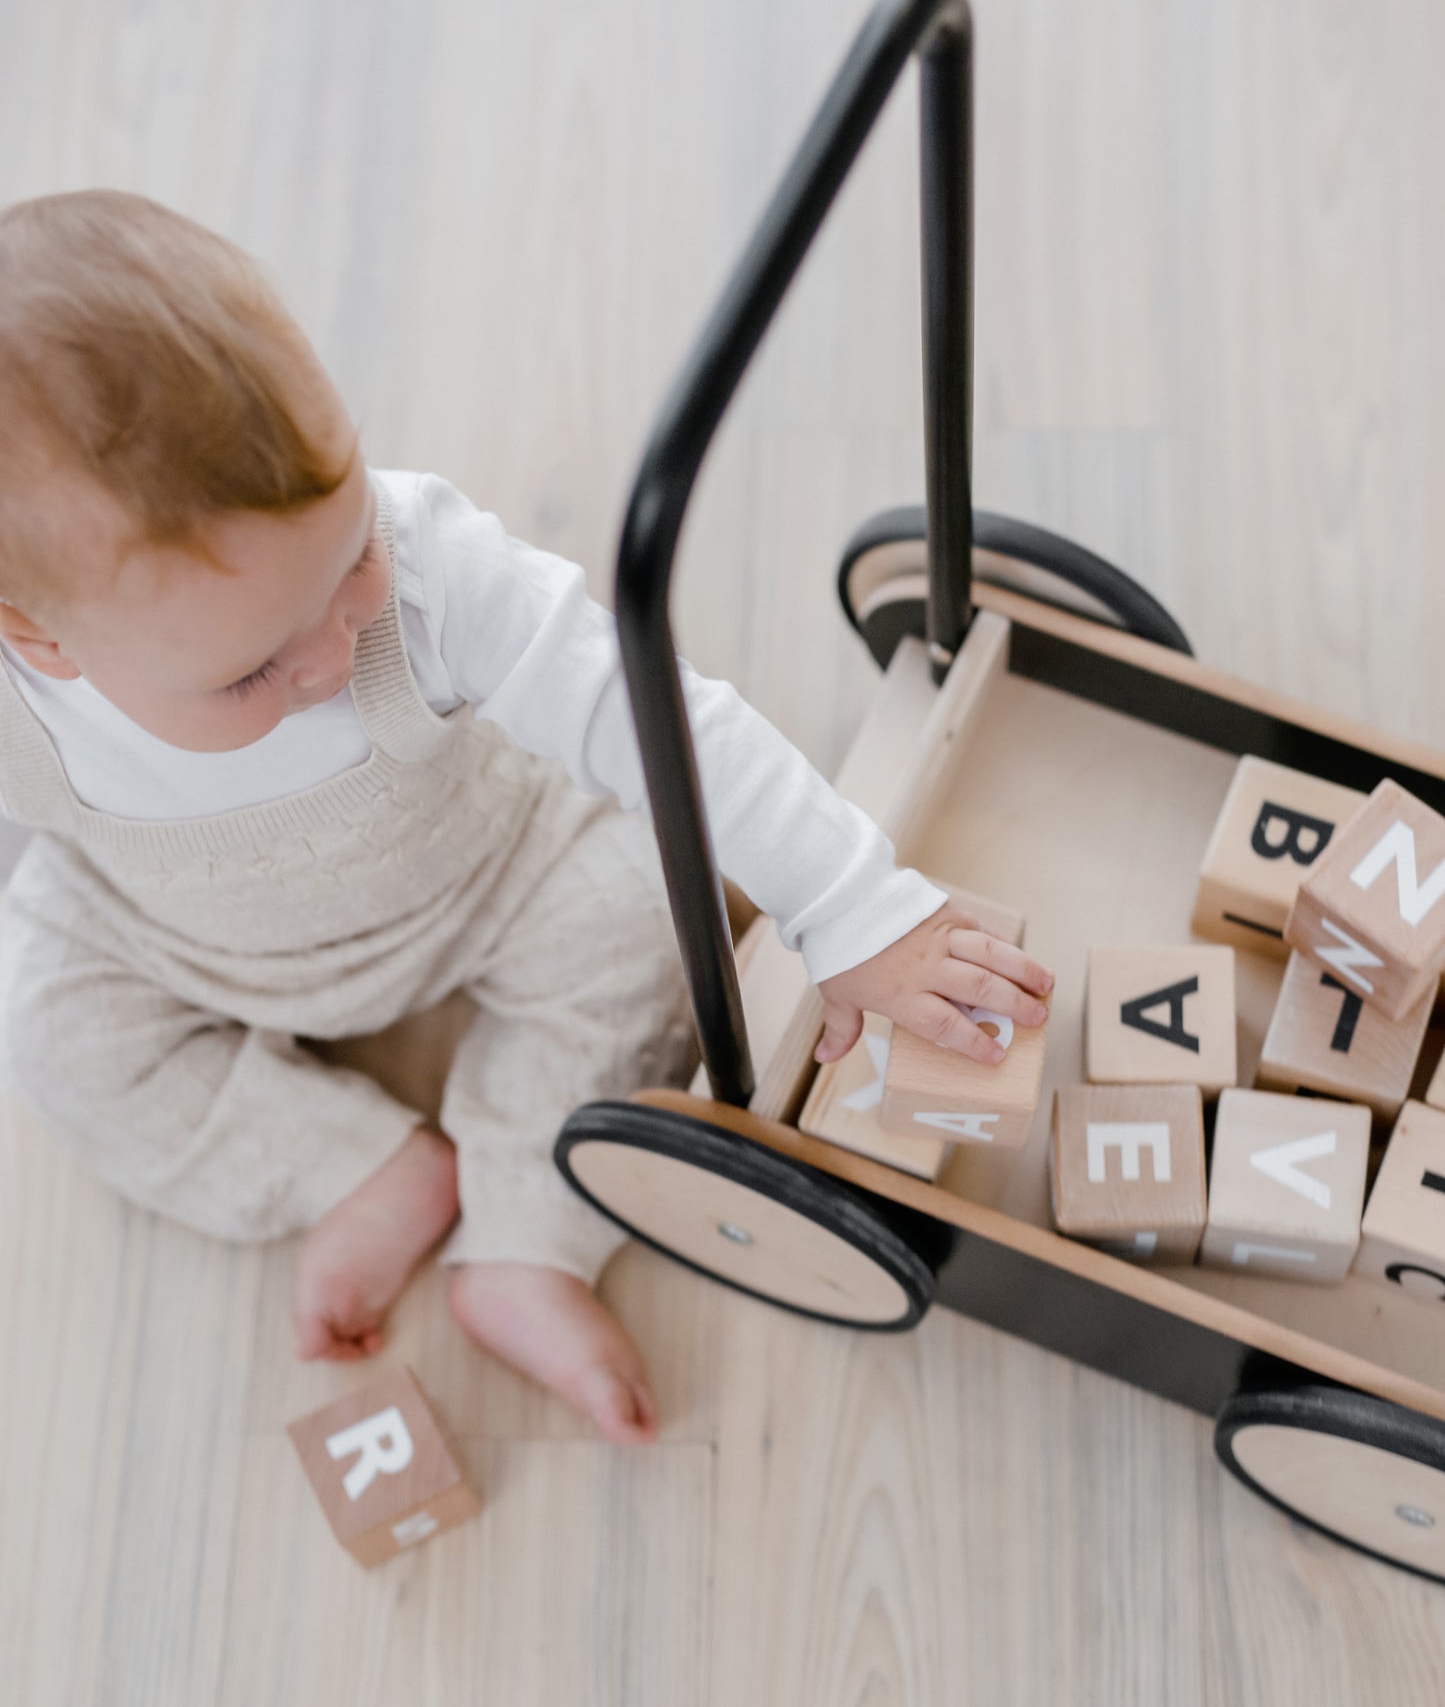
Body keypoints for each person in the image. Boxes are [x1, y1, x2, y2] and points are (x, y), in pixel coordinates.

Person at [0, 190, 1052, 1444]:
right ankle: (354, 1163)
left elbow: (658, 712)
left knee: (644, 914)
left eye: (349, 569)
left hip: (488, 878)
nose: (336, 652)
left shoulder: (434, 571)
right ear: (41, 639)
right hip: (160, 935)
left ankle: (524, 1235)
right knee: (51, 1032)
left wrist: (849, 906)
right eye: (249, 672)